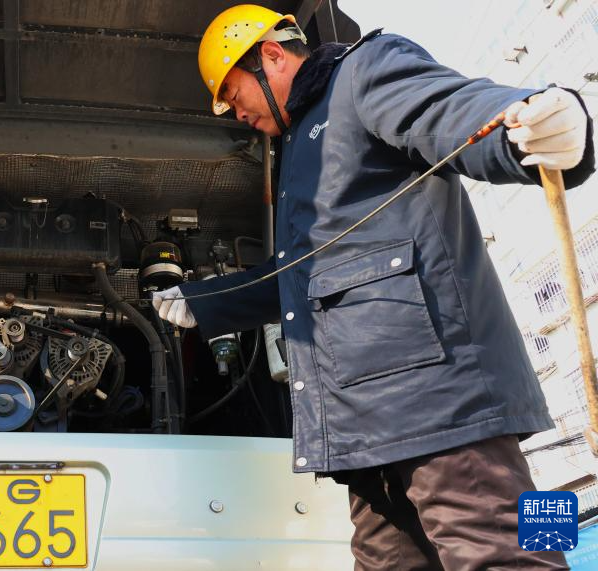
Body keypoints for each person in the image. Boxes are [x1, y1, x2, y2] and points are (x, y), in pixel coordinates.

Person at [152, 5, 594, 569]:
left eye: (234, 95)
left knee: (502, 555)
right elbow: (304, 272)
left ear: (271, 56)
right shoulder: (299, 145)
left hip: (441, 404)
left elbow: (446, 109)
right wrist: (205, 302)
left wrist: (524, 128)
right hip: (365, 426)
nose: (237, 113)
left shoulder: (363, 72)